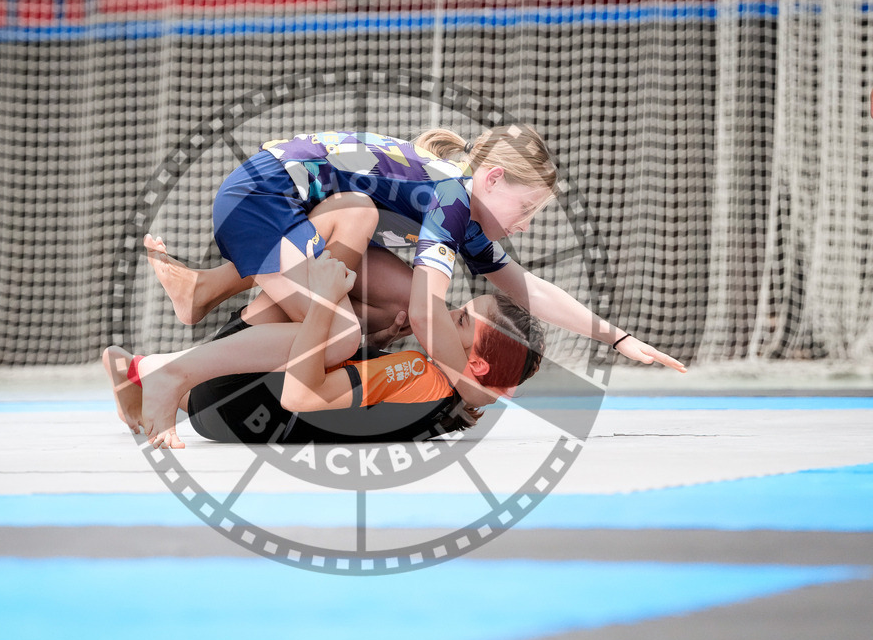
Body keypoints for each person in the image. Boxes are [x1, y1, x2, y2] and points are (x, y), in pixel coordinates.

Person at [143, 126, 686, 436]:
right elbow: (428, 312)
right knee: (339, 333)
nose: (524, 225)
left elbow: (527, 288)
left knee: (373, 265)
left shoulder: (460, 208)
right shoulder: (452, 198)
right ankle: (174, 376)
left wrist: (616, 337)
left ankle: (203, 293)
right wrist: (463, 386)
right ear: (493, 179)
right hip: (263, 199)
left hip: (291, 202)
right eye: (526, 210)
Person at [104, 253, 545, 449]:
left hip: (237, 400)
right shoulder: (444, 405)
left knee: (330, 277)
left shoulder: (417, 373)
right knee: (347, 326)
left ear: (477, 362)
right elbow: (357, 410)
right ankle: (138, 370)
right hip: (225, 416)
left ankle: (181, 341)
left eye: (462, 320)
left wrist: (325, 300)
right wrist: (377, 347)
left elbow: (300, 396)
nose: (447, 314)